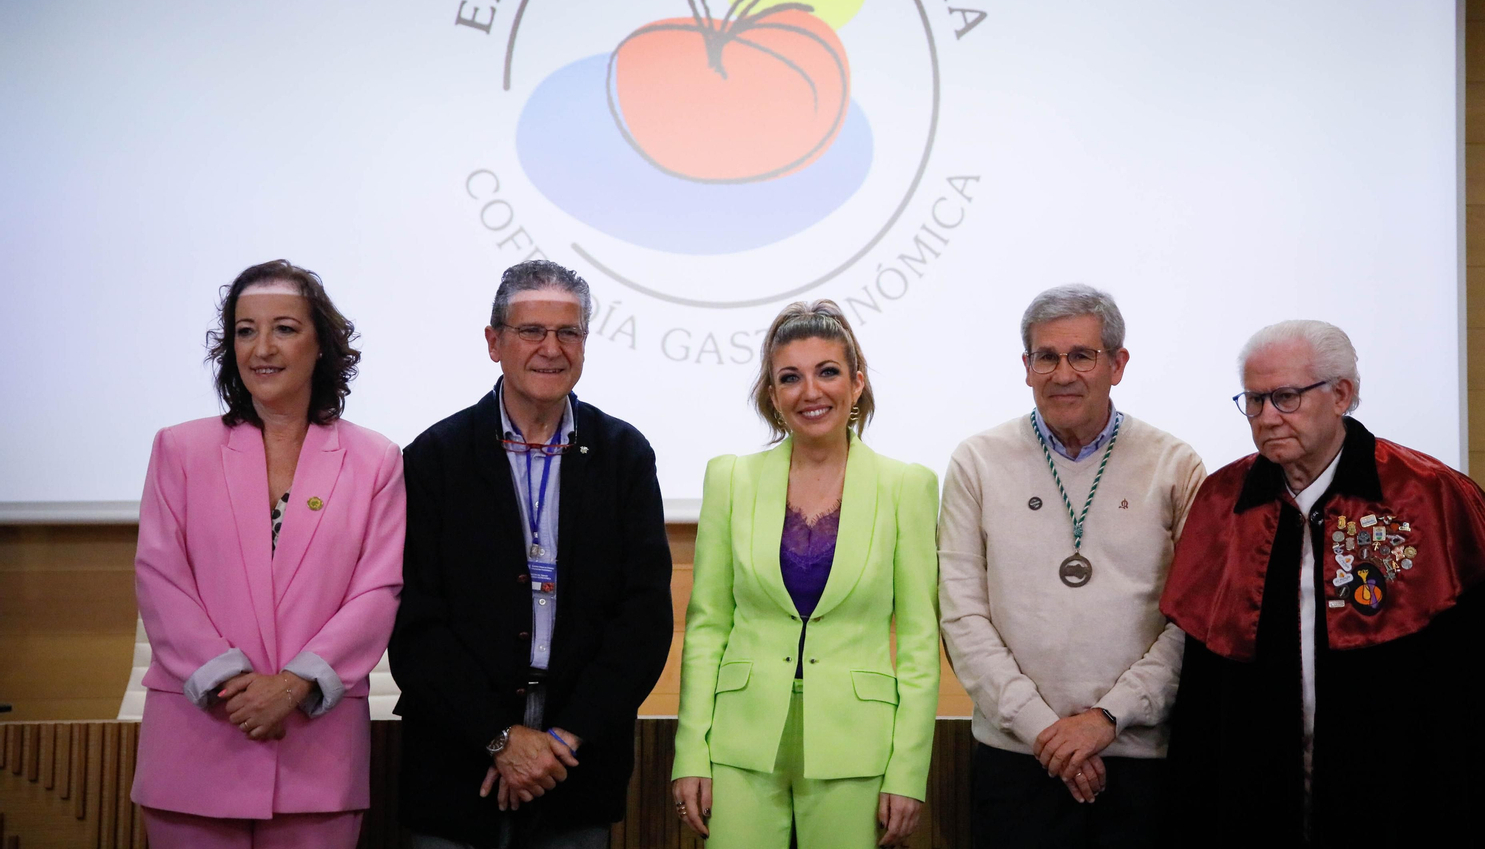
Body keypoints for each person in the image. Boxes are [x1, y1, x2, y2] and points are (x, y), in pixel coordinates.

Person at [1161, 319, 1485, 847]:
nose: (1267, 417)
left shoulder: (1430, 496)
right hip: (1260, 783)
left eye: (1286, 397)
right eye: (1254, 400)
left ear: (1341, 395)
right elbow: (1206, 691)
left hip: (1401, 784)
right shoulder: (1222, 501)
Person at [391, 259, 673, 849]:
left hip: (576, 763)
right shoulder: (435, 457)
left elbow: (643, 619)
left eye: (568, 332)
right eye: (531, 331)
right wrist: (499, 738)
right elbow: (415, 624)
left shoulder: (624, 455)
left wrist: (563, 740)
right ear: (494, 342)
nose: (551, 348)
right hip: (457, 758)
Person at [131, 260, 406, 848]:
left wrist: (293, 686)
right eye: (245, 330)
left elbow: (377, 592)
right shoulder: (179, 449)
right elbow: (160, 579)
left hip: (315, 745)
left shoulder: (375, 460)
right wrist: (231, 683)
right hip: (199, 737)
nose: (262, 348)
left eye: (284, 328)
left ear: (321, 345)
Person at [938, 284, 1206, 849]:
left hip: (1139, 760)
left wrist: (1106, 719)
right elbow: (962, 616)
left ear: (1118, 364)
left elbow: (1192, 620)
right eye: (1047, 357)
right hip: (1016, 760)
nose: (1063, 374)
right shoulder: (977, 461)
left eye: (1082, 356)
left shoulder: (1174, 464)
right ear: (1026, 367)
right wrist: (1044, 730)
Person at [671, 301, 940, 848]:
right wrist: (691, 753)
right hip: (739, 743)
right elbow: (707, 628)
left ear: (857, 383)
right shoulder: (730, 479)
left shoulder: (906, 486)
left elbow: (919, 641)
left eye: (828, 372)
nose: (810, 392)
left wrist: (908, 772)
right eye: (790, 378)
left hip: (858, 746)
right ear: (772, 395)